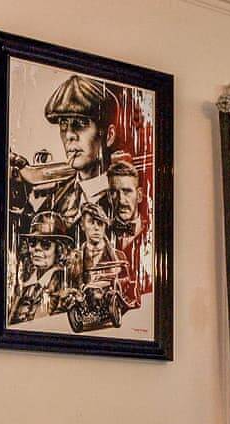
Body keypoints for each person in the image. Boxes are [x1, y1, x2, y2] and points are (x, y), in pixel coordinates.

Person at [20, 75, 119, 232]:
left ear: (109, 136)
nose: (69, 135)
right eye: (63, 125)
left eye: (80, 124)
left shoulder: (123, 197)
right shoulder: (58, 196)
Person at [9, 211, 73, 324]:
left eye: (45, 244)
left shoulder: (64, 284)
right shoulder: (23, 285)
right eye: (32, 242)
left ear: (59, 249)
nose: (37, 249)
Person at [106, 158, 151, 306]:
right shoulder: (100, 236)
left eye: (127, 192)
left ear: (139, 195)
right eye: (114, 193)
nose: (121, 200)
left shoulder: (152, 234)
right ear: (109, 197)